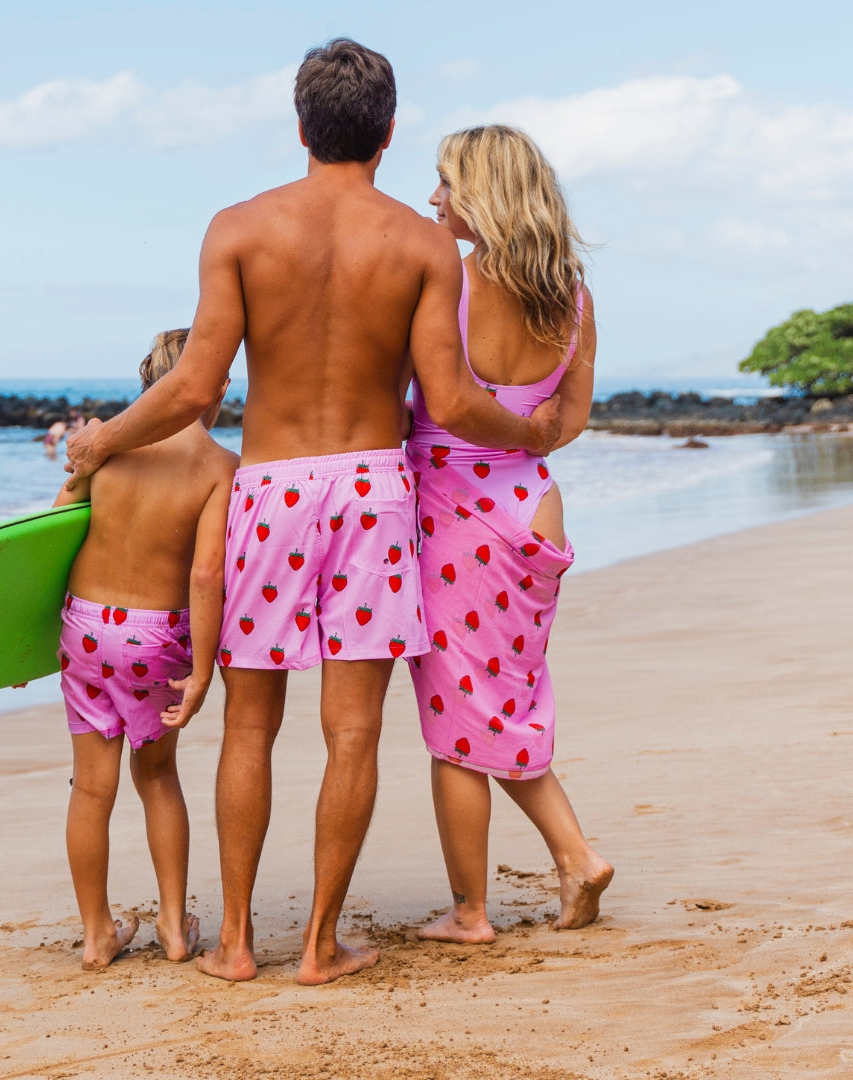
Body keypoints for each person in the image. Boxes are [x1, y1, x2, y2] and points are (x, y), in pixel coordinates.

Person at [64, 39, 563, 985]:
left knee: (250, 729)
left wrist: (102, 442)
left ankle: (240, 945)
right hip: (374, 492)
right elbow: (452, 402)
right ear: (386, 132)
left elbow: (193, 388)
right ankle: (322, 946)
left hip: (270, 490)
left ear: (300, 127)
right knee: (354, 733)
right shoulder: (421, 246)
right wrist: (529, 435)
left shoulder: (240, 229)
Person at [406, 125, 613, 943]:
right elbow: (569, 422)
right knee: (504, 700)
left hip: (457, 519)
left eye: (446, 185)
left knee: (457, 724)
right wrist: (523, 436)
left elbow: (431, 404)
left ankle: (471, 911)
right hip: (534, 509)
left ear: (481, 194)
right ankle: (572, 859)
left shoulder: (444, 285)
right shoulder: (574, 295)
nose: (433, 200)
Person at [54, 328, 237, 970]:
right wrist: (206, 668)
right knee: (158, 777)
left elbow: (50, 537)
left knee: (90, 789)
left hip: (84, 627)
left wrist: (20, 644)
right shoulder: (219, 466)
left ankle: (97, 932)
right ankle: (172, 925)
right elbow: (206, 574)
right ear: (211, 386)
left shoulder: (105, 441)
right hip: (157, 637)